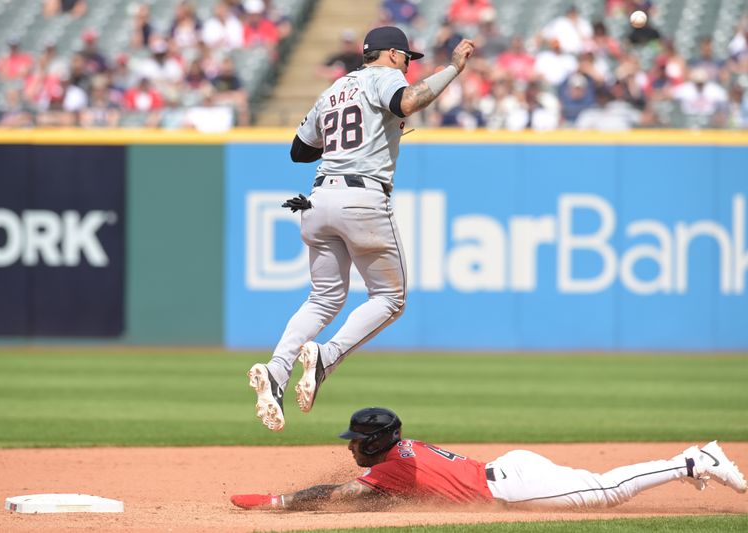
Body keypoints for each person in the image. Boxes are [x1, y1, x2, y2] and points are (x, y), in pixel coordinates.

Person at [247, 27, 475, 432]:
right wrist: (453, 68)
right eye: (407, 57)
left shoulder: (334, 90)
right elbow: (408, 99)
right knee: (391, 298)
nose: (409, 63)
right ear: (390, 53)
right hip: (362, 198)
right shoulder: (385, 76)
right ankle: (326, 358)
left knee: (323, 298)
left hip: (318, 200)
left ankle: (277, 370)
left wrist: (357, 138)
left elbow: (299, 151)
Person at [232, 407, 747, 510]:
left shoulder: (389, 468)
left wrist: (276, 501)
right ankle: (686, 463)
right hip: (511, 466)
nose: (348, 445)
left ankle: (694, 460)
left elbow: (338, 494)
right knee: (600, 484)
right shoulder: (402, 453)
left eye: (353, 438)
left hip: (512, 486)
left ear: (374, 442)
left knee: (608, 491)